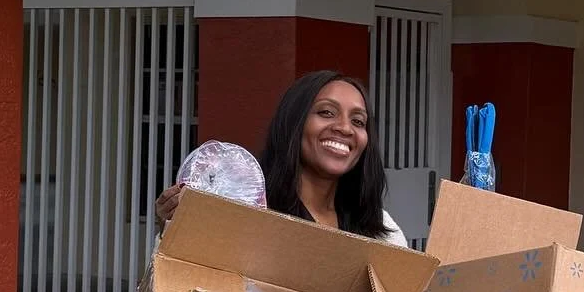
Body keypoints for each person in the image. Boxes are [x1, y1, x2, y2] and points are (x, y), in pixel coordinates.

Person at [155, 71, 407, 245]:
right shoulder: (241, 212)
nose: (344, 128)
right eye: (326, 112)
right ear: (293, 123)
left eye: (358, 121)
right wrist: (173, 231)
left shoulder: (383, 232)